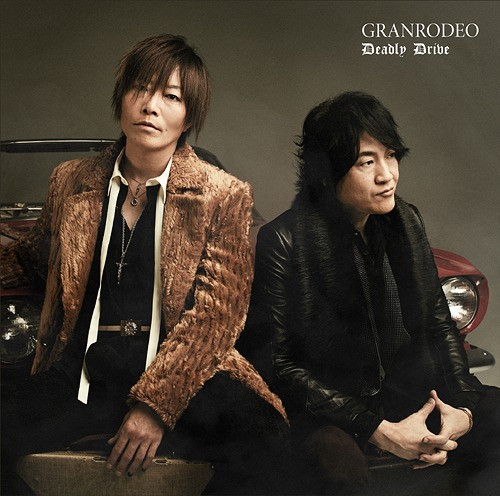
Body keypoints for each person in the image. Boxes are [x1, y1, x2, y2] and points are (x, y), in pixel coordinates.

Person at [1, 34, 288, 495]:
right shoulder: (71, 181)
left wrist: (155, 405)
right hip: (82, 372)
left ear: (188, 116)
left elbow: (216, 316)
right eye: (140, 89)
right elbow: (31, 259)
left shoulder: (223, 194)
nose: (150, 106)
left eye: (170, 96)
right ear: (121, 98)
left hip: (182, 375)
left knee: (267, 440)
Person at [240, 91, 500, 495]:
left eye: (390, 156)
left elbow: (438, 326)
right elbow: (280, 365)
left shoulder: (406, 222)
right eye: (366, 162)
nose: (387, 175)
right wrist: (377, 429)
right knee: (336, 462)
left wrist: (462, 411)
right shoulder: (285, 239)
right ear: (326, 171)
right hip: (328, 412)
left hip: (405, 396)